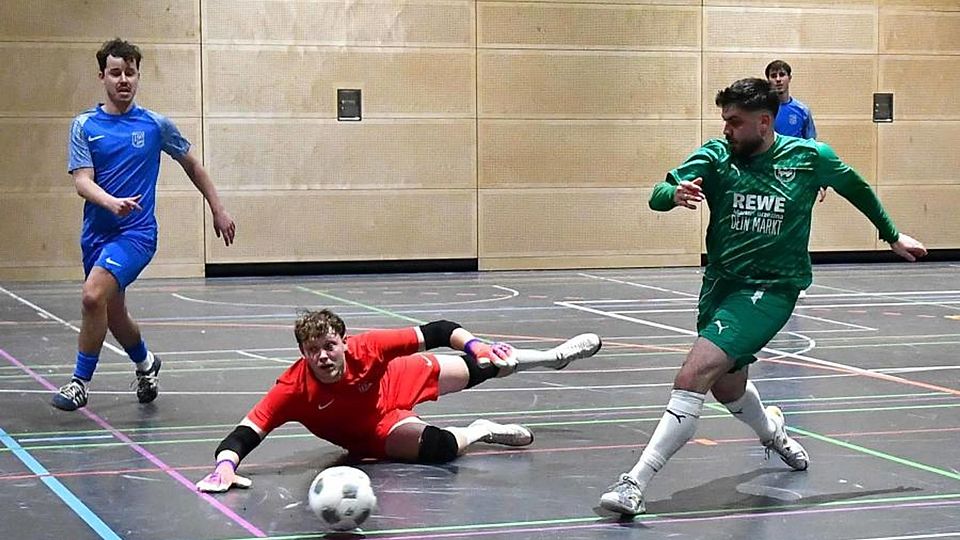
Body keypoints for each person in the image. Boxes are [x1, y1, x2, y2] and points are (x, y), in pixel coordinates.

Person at [598, 78, 926, 516]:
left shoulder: (810, 158)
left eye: (735, 121)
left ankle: (633, 482)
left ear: (764, 122)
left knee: (693, 375)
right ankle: (774, 431)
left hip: (771, 290)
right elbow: (657, 194)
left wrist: (890, 235)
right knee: (728, 388)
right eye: (724, 121)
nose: (727, 129)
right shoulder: (716, 156)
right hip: (720, 286)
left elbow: (856, 188)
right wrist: (673, 195)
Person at [196, 309, 602, 492]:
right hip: (375, 431)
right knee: (440, 449)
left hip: (400, 381)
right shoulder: (293, 388)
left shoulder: (369, 347)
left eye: (330, 346)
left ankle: (553, 357)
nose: (323, 356)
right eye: (313, 349)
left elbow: (441, 329)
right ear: (303, 353)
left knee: (487, 365)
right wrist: (224, 467)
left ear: (344, 343)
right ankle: (482, 430)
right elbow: (246, 432)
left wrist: (478, 344)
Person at [53, 38, 236, 411]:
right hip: (97, 235)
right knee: (113, 313)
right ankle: (147, 364)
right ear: (102, 76)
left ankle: (79, 382)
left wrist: (218, 208)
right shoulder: (85, 125)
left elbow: (193, 165)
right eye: (116, 72)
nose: (124, 80)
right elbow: (82, 181)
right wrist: (110, 202)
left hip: (136, 234)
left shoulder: (155, 125)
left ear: (138, 76)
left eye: (130, 73)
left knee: (91, 296)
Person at [766, 59, 821, 298]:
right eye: (773, 75)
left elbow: (813, 147)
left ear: (789, 78)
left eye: (782, 75)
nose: (778, 79)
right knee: (768, 228)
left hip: (795, 182)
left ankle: (794, 281)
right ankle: (768, 277)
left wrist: (819, 180)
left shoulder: (801, 111)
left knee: (795, 232)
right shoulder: (762, 111)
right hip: (767, 179)